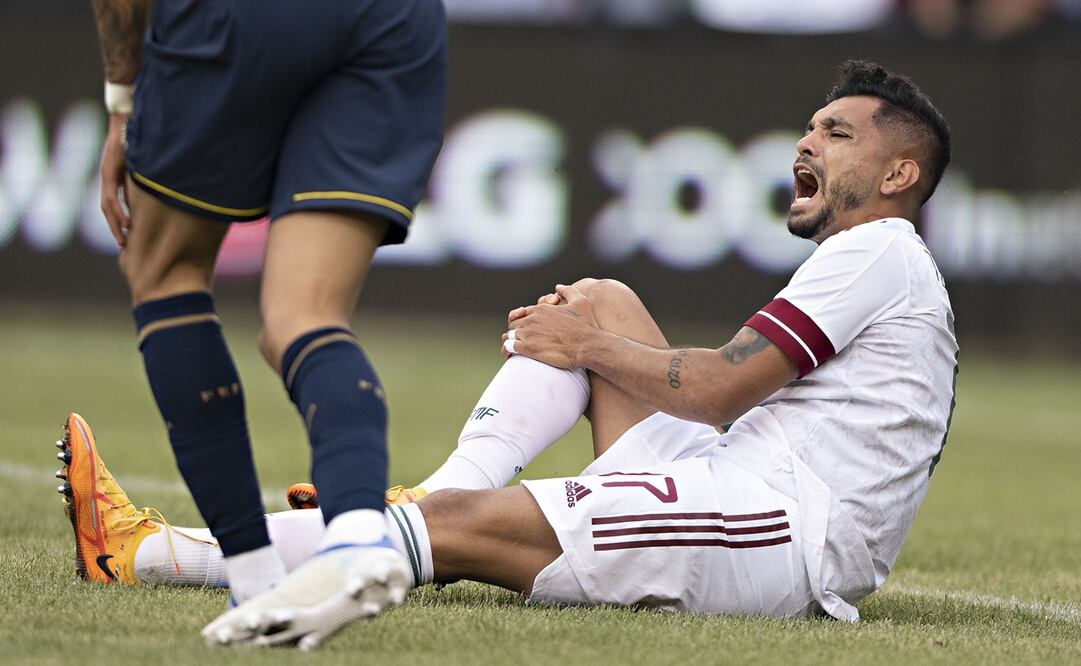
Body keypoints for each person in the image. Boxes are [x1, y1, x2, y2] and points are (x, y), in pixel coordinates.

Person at [60, 59, 956, 648]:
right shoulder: (873, 258)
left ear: (897, 176)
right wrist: (591, 333)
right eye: (810, 125)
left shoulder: (879, 249)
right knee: (596, 299)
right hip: (748, 477)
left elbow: (721, 389)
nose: (806, 141)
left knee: (451, 535)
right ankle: (445, 482)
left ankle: (148, 554)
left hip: (778, 533)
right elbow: (722, 390)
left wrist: (587, 346)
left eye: (837, 133)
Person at [84, 0, 446, 647]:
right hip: (395, 17)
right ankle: (357, 537)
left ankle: (253, 575)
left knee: (166, 272)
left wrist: (122, 102)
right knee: (304, 319)